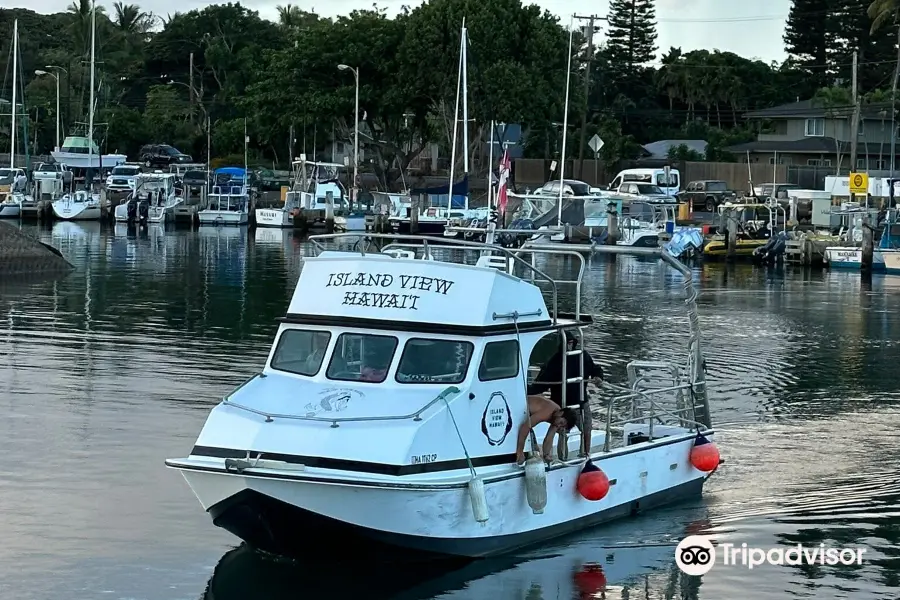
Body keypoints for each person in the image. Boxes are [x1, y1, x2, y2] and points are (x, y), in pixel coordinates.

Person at [527, 330, 603, 460]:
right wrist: (526, 390)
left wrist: (598, 377)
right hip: (561, 406)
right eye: (567, 343)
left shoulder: (583, 356)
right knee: (562, 434)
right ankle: (562, 458)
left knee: (586, 429)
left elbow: (595, 368)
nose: (569, 346)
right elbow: (541, 383)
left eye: (571, 343)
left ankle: (586, 455)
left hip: (581, 403)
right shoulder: (554, 362)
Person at [515, 394, 578, 465]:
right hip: (517, 407)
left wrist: (546, 455)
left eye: (561, 426)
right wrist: (520, 451)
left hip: (524, 417)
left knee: (536, 452)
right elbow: (525, 427)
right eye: (561, 422)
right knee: (528, 451)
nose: (558, 425)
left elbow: (549, 438)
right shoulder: (547, 411)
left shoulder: (557, 418)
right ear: (561, 413)